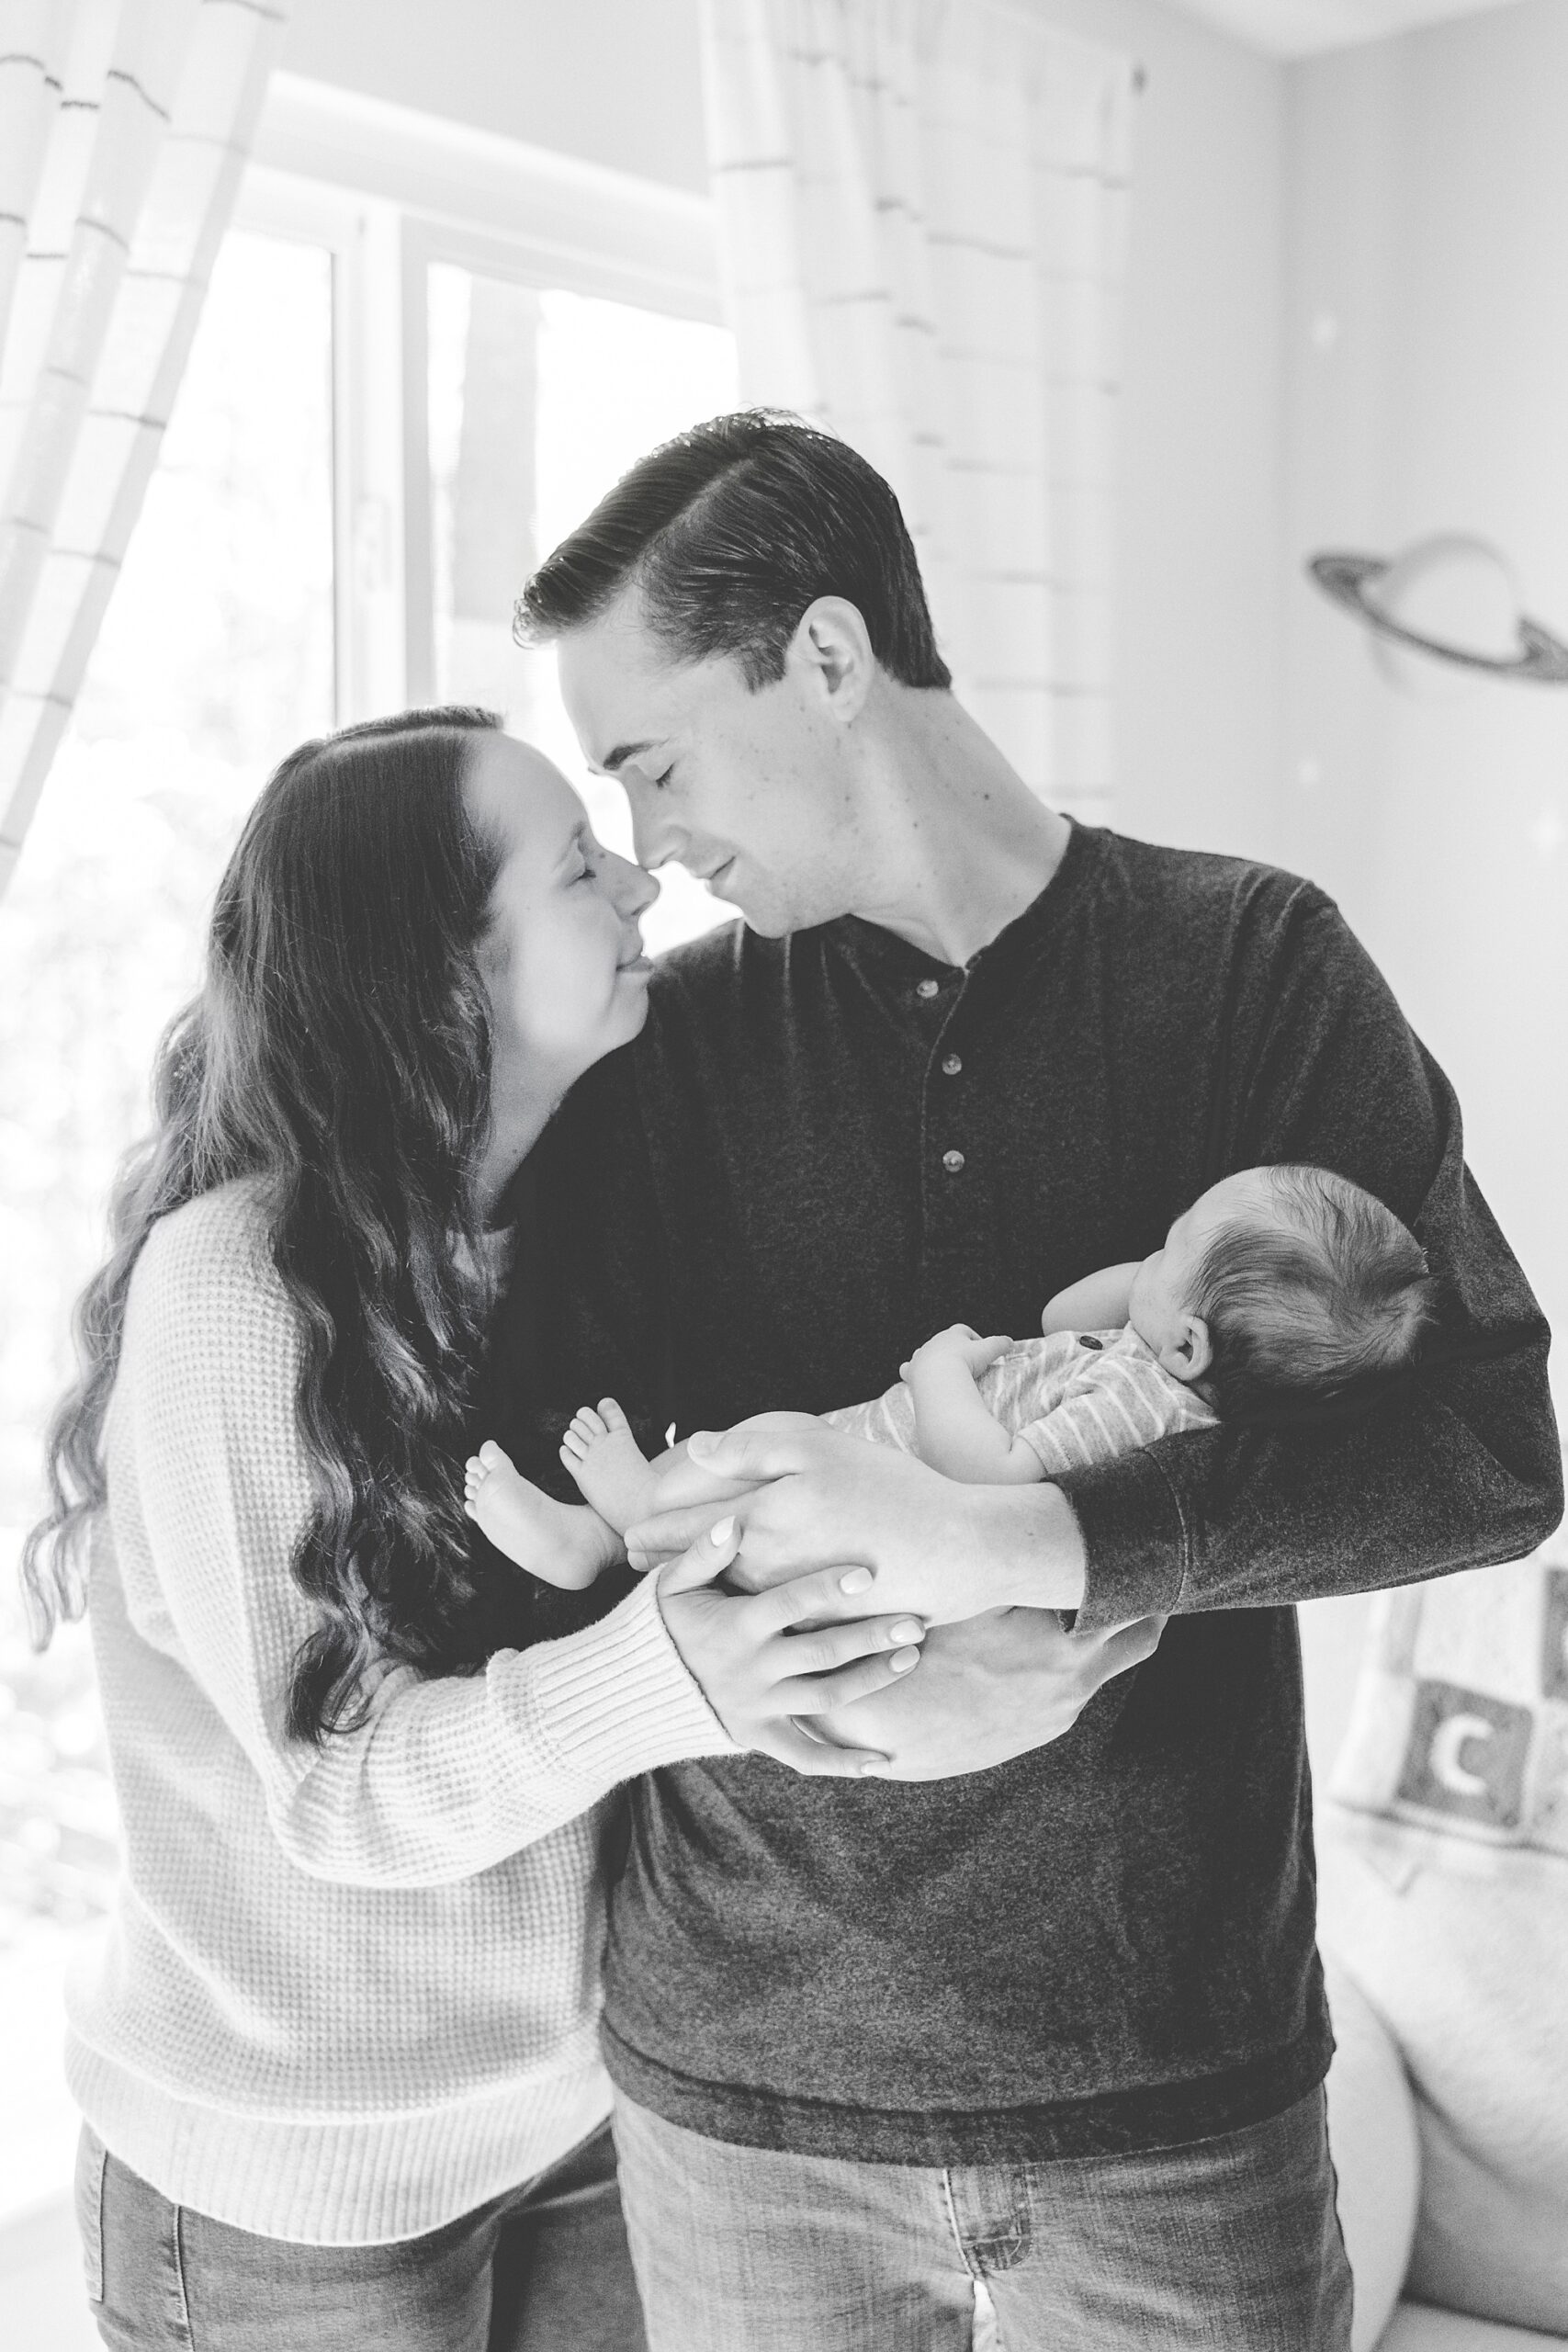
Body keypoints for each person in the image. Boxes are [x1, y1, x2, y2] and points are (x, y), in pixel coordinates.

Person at [485, 412, 1562, 2352]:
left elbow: (1484, 1447)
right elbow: (523, 1469)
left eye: (651, 761)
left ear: (823, 660)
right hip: (744, 2095)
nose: (648, 846)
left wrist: (1038, 1540)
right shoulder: (670, 1043)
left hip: (1168, 2092)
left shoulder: (1246, 963)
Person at [19, 707, 934, 2352]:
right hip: (288, 2202)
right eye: (579, 868)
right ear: (441, 976)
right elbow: (339, 1792)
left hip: (578, 2128)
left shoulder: (573, 1232)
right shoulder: (236, 1291)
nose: (644, 893)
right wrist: (675, 1671)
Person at [465, 1162, 1439, 1551]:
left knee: (758, 1461)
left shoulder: (1149, 1413)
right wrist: (1163, 1279)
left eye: (1178, 1235)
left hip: (886, 1490)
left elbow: (994, 1472)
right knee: (745, 1455)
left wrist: (936, 1368)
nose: (1159, 1240)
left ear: (1192, 1345)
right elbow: (1065, 1310)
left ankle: (621, 1528)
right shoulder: (1152, 1363)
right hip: (878, 1461)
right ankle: (599, 1534)